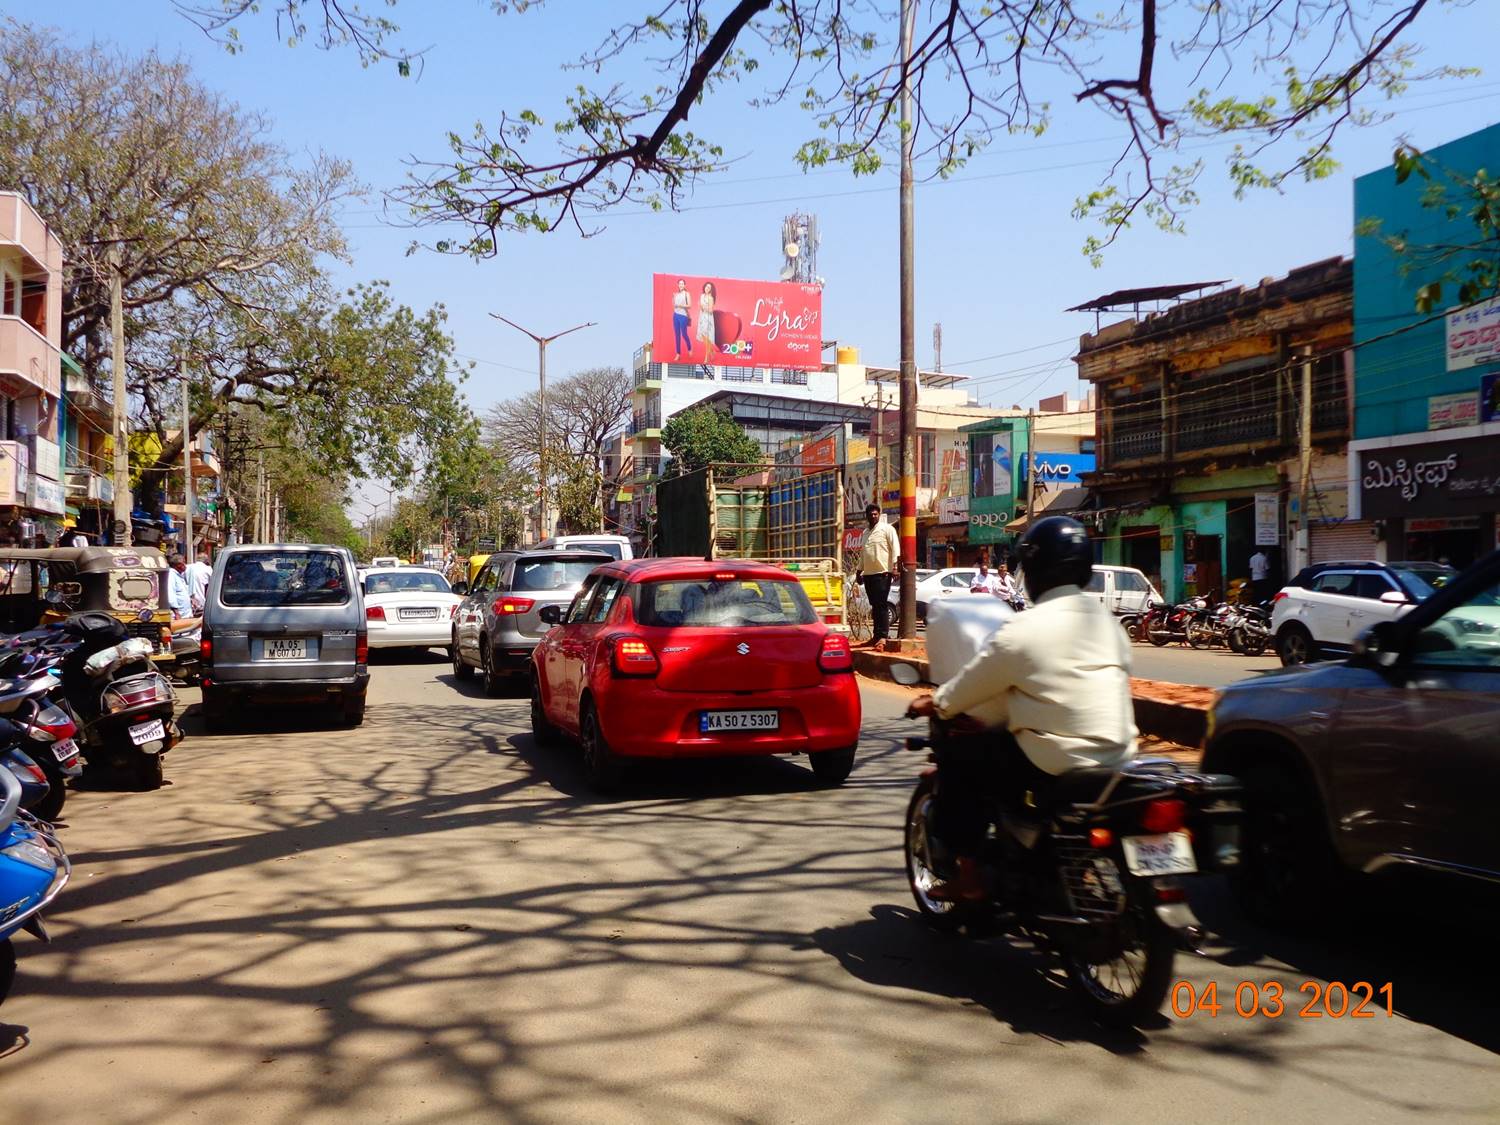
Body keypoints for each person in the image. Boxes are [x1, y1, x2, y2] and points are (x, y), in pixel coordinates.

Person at [907, 516, 1138, 902]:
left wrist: (935, 702)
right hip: (1117, 756)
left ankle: (970, 875)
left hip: (1054, 760)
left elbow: (970, 687)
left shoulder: (1023, 629)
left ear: (1034, 569)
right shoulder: (1110, 625)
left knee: (963, 758)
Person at [854, 502, 900, 650]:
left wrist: (895, 567)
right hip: (868, 574)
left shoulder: (888, 529)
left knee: (881, 605)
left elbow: (895, 549)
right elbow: (863, 554)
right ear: (867, 516)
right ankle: (876, 636)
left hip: (883, 573)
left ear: (879, 515)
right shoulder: (865, 533)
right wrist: (858, 571)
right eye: (871, 514)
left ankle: (883, 637)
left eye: (876, 514)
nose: (873, 516)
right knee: (874, 606)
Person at [185, 550, 213, 615]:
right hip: (201, 602)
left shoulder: (187, 567)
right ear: (206, 560)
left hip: (188, 603)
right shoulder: (208, 569)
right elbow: (213, 584)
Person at [166, 553, 193, 620]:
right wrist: (177, 613)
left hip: (185, 615)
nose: (185, 565)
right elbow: (170, 595)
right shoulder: (171, 575)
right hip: (179, 616)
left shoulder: (179, 575)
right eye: (184, 562)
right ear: (178, 565)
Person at [671, 279, 693, 360]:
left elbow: (690, 305)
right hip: (676, 315)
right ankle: (678, 353)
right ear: (678, 285)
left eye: (682, 283)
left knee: (684, 334)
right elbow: (674, 305)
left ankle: (689, 348)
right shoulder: (676, 294)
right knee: (677, 335)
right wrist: (673, 297)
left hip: (683, 316)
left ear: (684, 285)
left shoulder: (687, 294)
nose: (681, 285)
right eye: (679, 284)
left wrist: (681, 305)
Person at [696, 281, 718, 361]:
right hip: (702, 317)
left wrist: (704, 307)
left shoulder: (711, 298)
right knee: (703, 335)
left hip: (708, 318)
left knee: (707, 336)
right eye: (706, 286)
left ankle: (706, 356)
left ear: (711, 290)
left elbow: (711, 311)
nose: (707, 288)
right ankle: (711, 350)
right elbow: (701, 308)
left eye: (709, 288)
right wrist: (701, 307)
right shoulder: (702, 296)